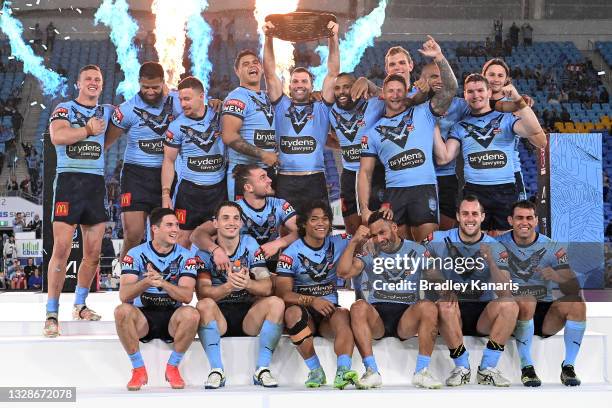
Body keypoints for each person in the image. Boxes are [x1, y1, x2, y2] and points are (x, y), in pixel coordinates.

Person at [359, 36, 457, 242]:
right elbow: (365, 173)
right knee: (398, 254)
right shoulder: (373, 131)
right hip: (393, 193)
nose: (395, 95)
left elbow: (450, 89)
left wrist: (439, 57)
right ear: (382, 95)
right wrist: (365, 208)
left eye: (399, 91)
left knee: (429, 250)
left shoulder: (424, 111)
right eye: (390, 91)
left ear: (407, 92)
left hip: (424, 189)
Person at [337, 212, 442, 389]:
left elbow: (437, 278)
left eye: (382, 232)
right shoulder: (369, 250)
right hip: (377, 317)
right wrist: (354, 241)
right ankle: (371, 371)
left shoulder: (417, 250)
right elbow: (344, 272)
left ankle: (421, 372)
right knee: (357, 307)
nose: (379, 239)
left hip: (406, 318)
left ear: (394, 228)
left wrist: (447, 292)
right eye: (374, 235)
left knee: (429, 307)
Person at [45, 64, 113, 337]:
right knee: (61, 249)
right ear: (78, 83)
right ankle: (51, 312)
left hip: (96, 183)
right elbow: (57, 136)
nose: (93, 82)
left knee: (94, 253)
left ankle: (80, 304)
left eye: (98, 79)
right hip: (69, 182)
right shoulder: (64, 108)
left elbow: (130, 117)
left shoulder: (107, 111)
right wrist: (86, 130)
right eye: (88, 79)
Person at [433, 74, 546, 235]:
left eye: (480, 90)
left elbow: (534, 130)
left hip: (505, 190)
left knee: (506, 245)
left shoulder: (506, 118)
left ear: (489, 93)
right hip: (474, 192)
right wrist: (433, 124)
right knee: (477, 246)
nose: (475, 95)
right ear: (465, 95)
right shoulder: (459, 126)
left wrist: (517, 99)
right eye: (470, 91)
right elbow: (443, 157)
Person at [424, 195, 518, 387]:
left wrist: (491, 261)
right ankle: (462, 367)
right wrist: (442, 284)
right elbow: (424, 266)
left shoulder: (496, 246)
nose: (470, 218)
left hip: (482, 314)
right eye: (465, 213)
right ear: (458, 216)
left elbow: (505, 290)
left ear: (482, 217)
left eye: (474, 214)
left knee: (510, 305)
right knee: (445, 304)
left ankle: (487, 369)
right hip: (451, 311)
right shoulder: (439, 239)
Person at [194, 201, 284, 388]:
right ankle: (216, 370)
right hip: (219, 317)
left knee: (276, 302)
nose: (231, 222)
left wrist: (248, 283)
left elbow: (267, 287)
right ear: (215, 223)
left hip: (248, 316)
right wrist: (229, 287)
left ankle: (262, 369)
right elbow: (203, 294)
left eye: (236, 218)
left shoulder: (250, 245)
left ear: (242, 223)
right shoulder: (203, 253)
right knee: (203, 306)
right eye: (225, 218)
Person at [497, 200, 586, 387]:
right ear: (510, 220)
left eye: (529, 218)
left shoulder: (553, 247)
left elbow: (573, 288)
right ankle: (526, 367)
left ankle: (568, 366)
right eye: (519, 218)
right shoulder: (498, 244)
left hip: (544, 314)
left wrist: (557, 276)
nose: (524, 222)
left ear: (536, 220)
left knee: (576, 303)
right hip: (511, 313)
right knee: (527, 300)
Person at [114, 207, 200, 391]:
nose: (175, 229)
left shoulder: (187, 256)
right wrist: (146, 282)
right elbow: (124, 295)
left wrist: (163, 283)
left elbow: (186, 296)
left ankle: (173, 367)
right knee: (121, 311)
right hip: (143, 318)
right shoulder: (134, 254)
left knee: (192, 314)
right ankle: (138, 369)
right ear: (155, 229)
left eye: (177, 225)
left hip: (172, 318)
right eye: (169, 225)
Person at [275, 200, 358, 389]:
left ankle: (343, 372)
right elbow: (283, 294)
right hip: (304, 312)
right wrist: (312, 300)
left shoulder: (340, 241)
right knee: (291, 314)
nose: (321, 223)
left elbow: (364, 240)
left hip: (330, 312)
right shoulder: (291, 253)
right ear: (304, 224)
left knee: (344, 314)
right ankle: (316, 371)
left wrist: (360, 242)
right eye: (314, 219)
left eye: (325, 218)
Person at [105, 62, 183, 261]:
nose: (150, 91)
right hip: (136, 175)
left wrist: (215, 102)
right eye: (145, 87)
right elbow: (106, 143)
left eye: (155, 87)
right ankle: (124, 278)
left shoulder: (179, 102)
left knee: (166, 235)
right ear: (139, 83)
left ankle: (160, 280)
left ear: (163, 83)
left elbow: (202, 110)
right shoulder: (127, 109)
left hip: (167, 174)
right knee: (134, 234)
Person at [262, 20, 339, 213]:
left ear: (312, 86)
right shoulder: (281, 105)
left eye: (304, 81)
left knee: (319, 229)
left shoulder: (322, 108)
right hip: (286, 180)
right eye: (295, 81)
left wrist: (333, 37)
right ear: (289, 85)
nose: (299, 85)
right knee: (285, 230)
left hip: (314, 179)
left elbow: (333, 73)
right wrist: (268, 37)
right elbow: (270, 74)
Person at [191, 164, 298, 273]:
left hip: (270, 264)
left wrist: (279, 243)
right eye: (263, 177)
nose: (269, 180)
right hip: (239, 266)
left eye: (267, 176)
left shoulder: (280, 205)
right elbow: (196, 235)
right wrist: (216, 250)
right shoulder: (232, 210)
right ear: (248, 187)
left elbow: (302, 231)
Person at [161, 76, 226, 248]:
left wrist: (221, 102)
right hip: (189, 192)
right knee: (183, 239)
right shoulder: (176, 126)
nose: (183, 104)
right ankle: (181, 274)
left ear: (201, 96)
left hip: (218, 190)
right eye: (181, 99)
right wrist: (166, 194)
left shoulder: (220, 115)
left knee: (216, 239)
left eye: (187, 99)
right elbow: (168, 161)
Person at [328, 72, 388, 235]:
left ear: (356, 86)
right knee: (354, 231)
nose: (341, 92)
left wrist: (369, 82)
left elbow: (392, 95)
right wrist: (344, 145)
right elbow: (322, 137)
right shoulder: (331, 111)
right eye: (337, 88)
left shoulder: (375, 104)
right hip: (348, 176)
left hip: (374, 174)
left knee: (375, 228)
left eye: (347, 87)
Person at [221, 50, 278, 200]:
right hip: (243, 172)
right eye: (245, 64)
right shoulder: (237, 96)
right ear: (237, 71)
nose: (252, 66)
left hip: (267, 171)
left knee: (269, 221)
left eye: (255, 62)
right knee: (243, 221)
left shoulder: (266, 96)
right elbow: (228, 136)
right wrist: (262, 154)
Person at [482, 58, 533, 201]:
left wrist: (522, 106)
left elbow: (533, 134)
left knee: (513, 220)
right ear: (483, 76)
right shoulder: (473, 101)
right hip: (479, 174)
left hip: (511, 173)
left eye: (500, 75)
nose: (495, 79)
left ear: (506, 79)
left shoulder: (517, 104)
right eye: (491, 75)